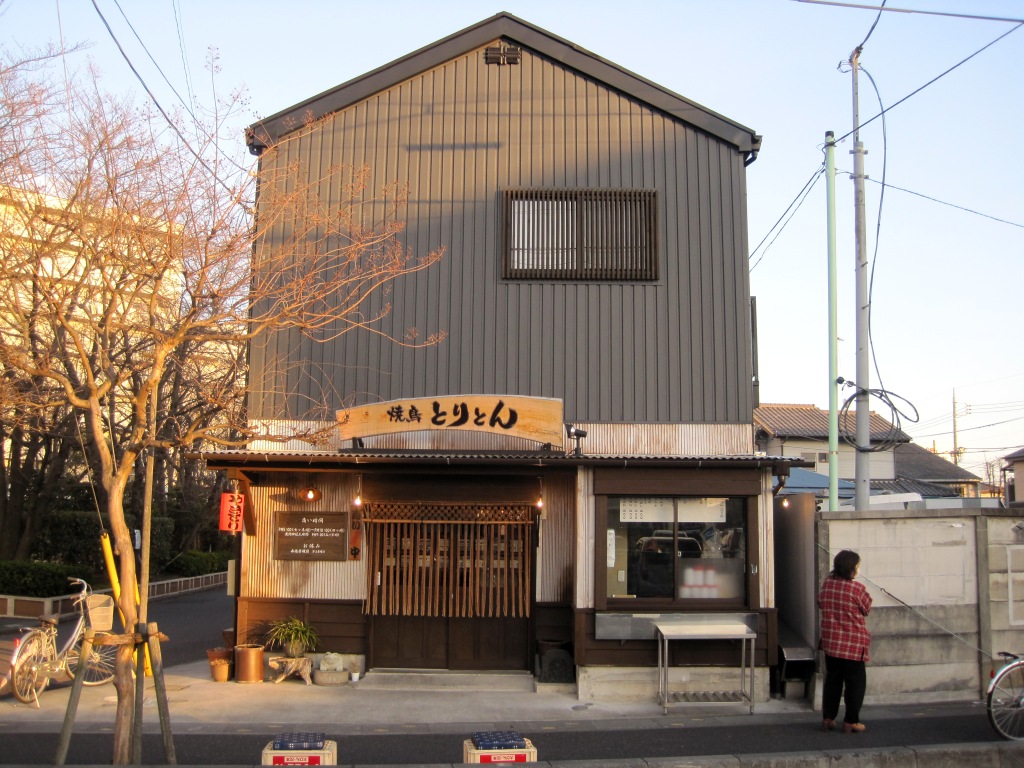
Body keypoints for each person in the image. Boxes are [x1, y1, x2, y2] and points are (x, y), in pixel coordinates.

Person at [818, 549, 872, 734]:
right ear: (852, 568)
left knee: (833, 681)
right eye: (857, 566)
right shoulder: (856, 589)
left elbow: (820, 603)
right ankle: (851, 721)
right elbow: (866, 608)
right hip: (853, 645)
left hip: (831, 643)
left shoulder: (827, 585)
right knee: (855, 684)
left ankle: (828, 718)